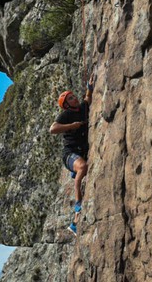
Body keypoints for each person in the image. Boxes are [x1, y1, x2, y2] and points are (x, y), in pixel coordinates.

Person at [49, 75, 93, 235]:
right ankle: (78, 201)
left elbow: (88, 99)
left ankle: (74, 223)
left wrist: (89, 87)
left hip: (81, 151)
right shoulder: (66, 115)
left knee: (83, 173)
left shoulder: (82, 108)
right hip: (70, 154)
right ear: (66, 104)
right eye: (71, 98)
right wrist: (71, 126)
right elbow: (53, 129)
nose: (75, 99)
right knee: (83, 166)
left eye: (74, 96)